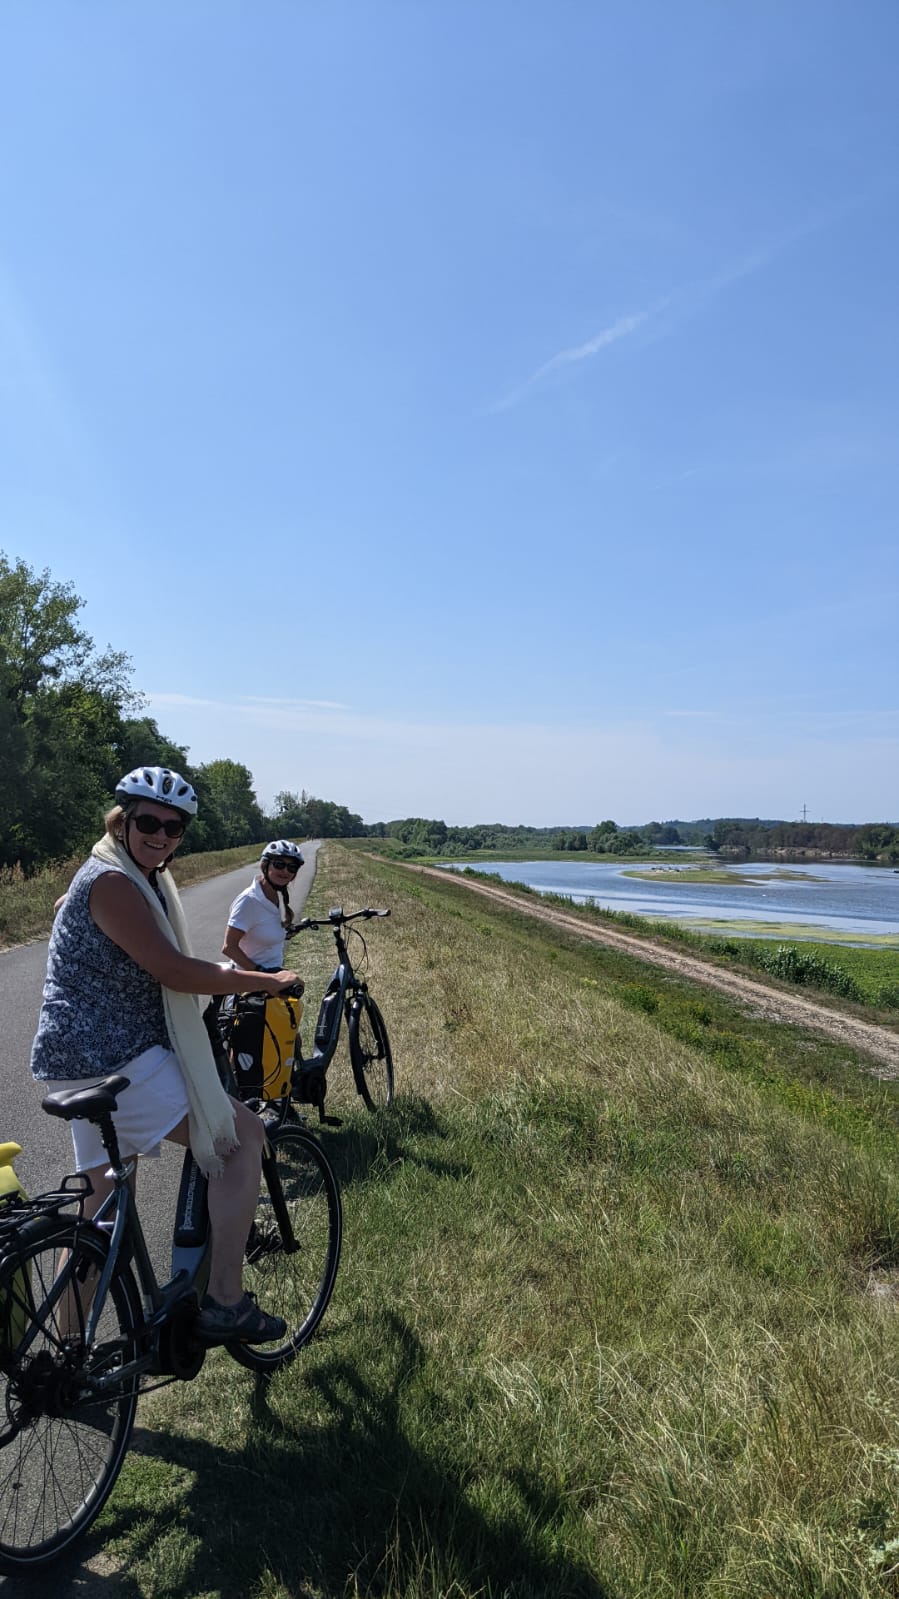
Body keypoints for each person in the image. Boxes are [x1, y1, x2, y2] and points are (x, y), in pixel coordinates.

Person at [31, 765, 300, 1344]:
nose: (161, 835)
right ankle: (226, 1300)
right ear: (123, 821)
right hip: (117, 1057)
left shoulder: (122, 873)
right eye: (149, 821)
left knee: (97, 1210)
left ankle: (64, 1354)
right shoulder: (112, 881)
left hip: (86, 1060)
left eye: (174, 828)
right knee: (241, 1137)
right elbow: (173, 970)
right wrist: (262, 981)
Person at [222, 839, 305, 974]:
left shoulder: (276, 895)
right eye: (279, 864)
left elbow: (262, 930)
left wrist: (286, 932)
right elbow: (229, 947)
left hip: (272, 975)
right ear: (266, 865)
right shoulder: (249, 900)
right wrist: (261, 973)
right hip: (250, 982)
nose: (285, 871)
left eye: (291, 867)